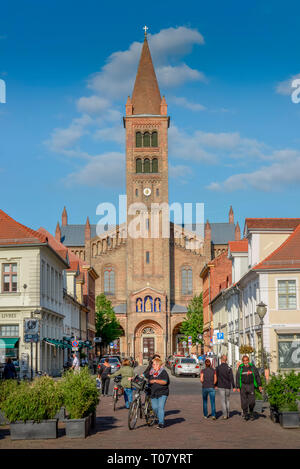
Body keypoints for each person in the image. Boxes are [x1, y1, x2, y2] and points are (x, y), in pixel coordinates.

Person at [143, 357, 169, 429]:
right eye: (153, 364)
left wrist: (155, 381)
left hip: (162, 392)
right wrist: (133, 377)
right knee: (155, 408)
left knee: (160, 407)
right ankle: (160, 417)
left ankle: (161, 423)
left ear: (158, 365)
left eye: (154, 364)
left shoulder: (163, 372)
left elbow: (165, 382)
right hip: (153, 392)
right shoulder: (151, 372)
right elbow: (144, 375)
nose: (152, 365)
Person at [236, 355, 262, 421]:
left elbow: (257, 376)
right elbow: (238, 377)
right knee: (244, 402)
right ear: (242, 361)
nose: (245, 362)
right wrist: (238, 386)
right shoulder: (240, 367)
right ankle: (245, 414)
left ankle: (251, 412)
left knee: (252, 402)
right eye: (244, 361)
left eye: (246, 360)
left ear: (248, 360)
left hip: (251, 385)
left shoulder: (252, 367)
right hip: (243, 386)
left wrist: (259, 385)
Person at [216, 355, 236, 419]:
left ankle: (225, 415)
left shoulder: (218, 368)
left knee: (223, 400)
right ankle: (228, 414)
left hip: (221, 386)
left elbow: (216, 377)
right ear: (226, 360)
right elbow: (231, 378)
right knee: (227, 400)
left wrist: (215, 385)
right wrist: (234, 386)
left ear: (221, 360)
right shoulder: (229, 368)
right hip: (228, 386)